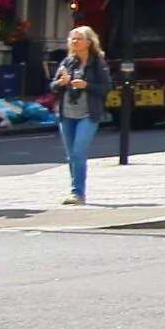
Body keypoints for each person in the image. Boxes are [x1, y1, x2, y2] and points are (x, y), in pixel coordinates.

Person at [50, 25, 111, 207]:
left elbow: (106, 87)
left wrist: (87, 86)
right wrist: (61, 82)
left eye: (78, 39)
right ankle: (74, 190)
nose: (74, 42)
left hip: (88, 113)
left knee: (78, 152)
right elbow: (52, 86)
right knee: (71, 156)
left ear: (89, 43)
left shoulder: (98, 64)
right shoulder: (67, 63)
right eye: (72, 39)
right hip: (67, 113)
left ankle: (78, 193)